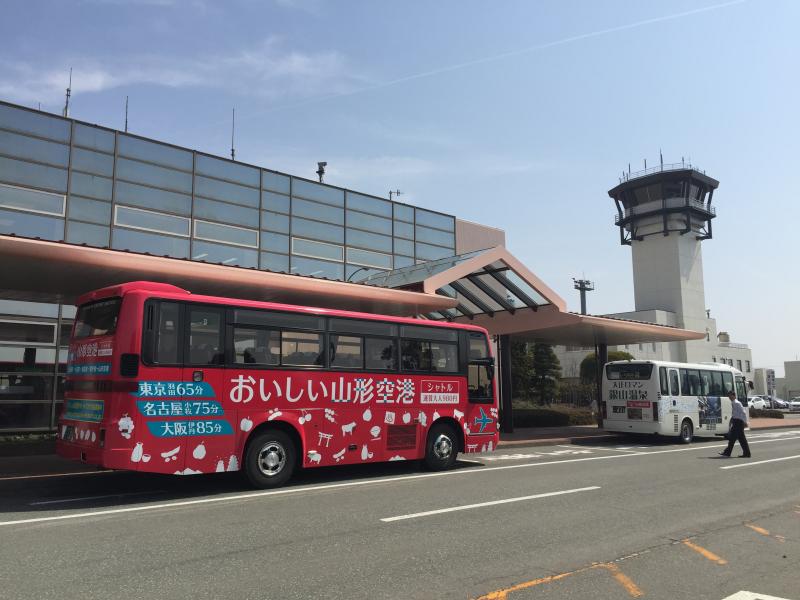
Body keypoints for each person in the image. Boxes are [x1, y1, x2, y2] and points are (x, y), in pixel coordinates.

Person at [719, 390, 751, 458]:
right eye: (728, 396)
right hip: (736, 422)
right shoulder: (734, 403)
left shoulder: (736, 403)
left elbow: (743, 413)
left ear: (733, 396)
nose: (729, 397)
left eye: (730, 395)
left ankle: (727, 452)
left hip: (738, 423)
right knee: (741, 439)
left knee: (732, 438)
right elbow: (736, 413)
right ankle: (747, 453)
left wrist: (745, 422)